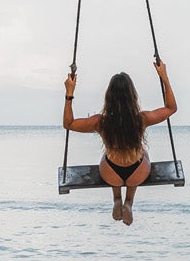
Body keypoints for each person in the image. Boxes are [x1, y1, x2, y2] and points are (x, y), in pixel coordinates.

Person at [63, 60, 177, 221]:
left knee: (107, 155)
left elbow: (68, 124)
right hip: (138, 171)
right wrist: (164, 77)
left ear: (109, 97)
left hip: (111, 172)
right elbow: (171, 108)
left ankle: (117, 199)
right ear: (132, 96)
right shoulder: (142, 119)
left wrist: (69, 93)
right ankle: (129, 202)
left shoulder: (100, 122)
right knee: (143, 152)